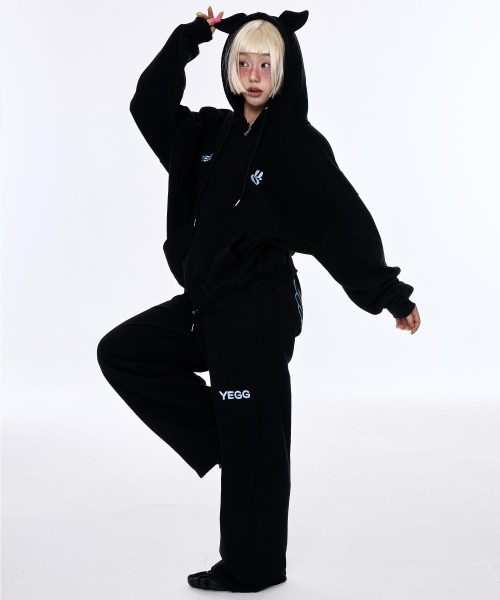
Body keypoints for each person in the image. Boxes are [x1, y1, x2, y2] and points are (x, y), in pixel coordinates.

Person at [96, 7, 421, 594]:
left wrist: (388, 295)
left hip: (257, 310)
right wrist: (191, 36)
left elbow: (344, 224)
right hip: (207, 303)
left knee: (255, 441)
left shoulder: (295, 145)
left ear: (282, 70)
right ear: (230, 67)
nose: (252, 75)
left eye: (265, 65)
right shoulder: (207, 135)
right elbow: (148, 104)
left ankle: (253, 568)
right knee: (123, 352)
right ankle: (233, 436)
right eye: (243, 63)